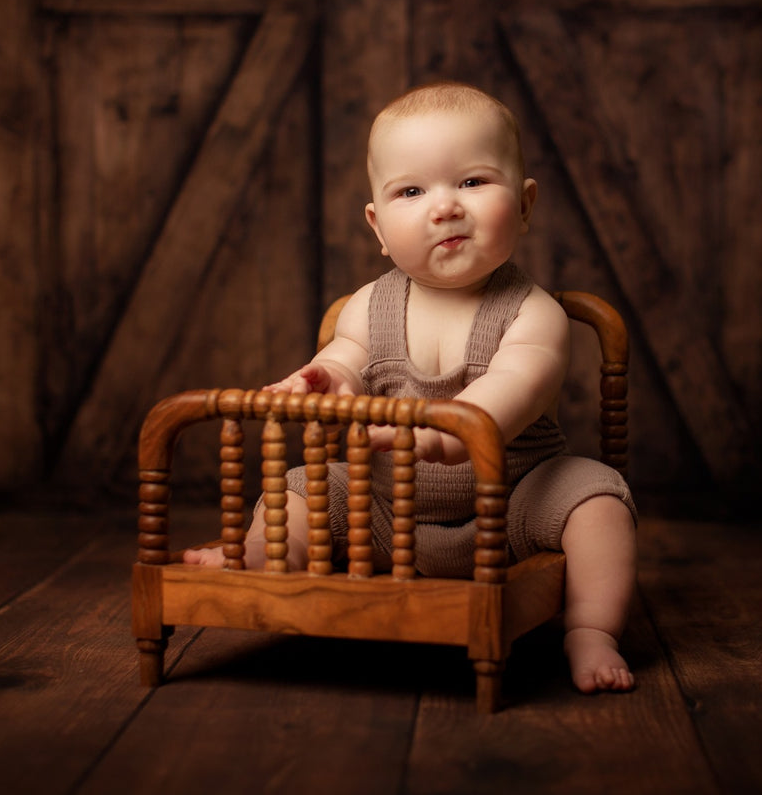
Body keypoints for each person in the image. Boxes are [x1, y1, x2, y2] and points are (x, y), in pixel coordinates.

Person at [185, 82, 638, 694]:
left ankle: (591, 629)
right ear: (377, 223)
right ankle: (259, 563)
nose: (445, 207)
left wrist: (447, 433)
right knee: (294, 493)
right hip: (384, 507)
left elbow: (513, 386)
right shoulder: (368, 305)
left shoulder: (534, 313)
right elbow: (347, 359)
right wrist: (324, 378)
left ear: (526, 205)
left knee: (599, 503)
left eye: (473, 182)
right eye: (412, 191)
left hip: (510, 502)